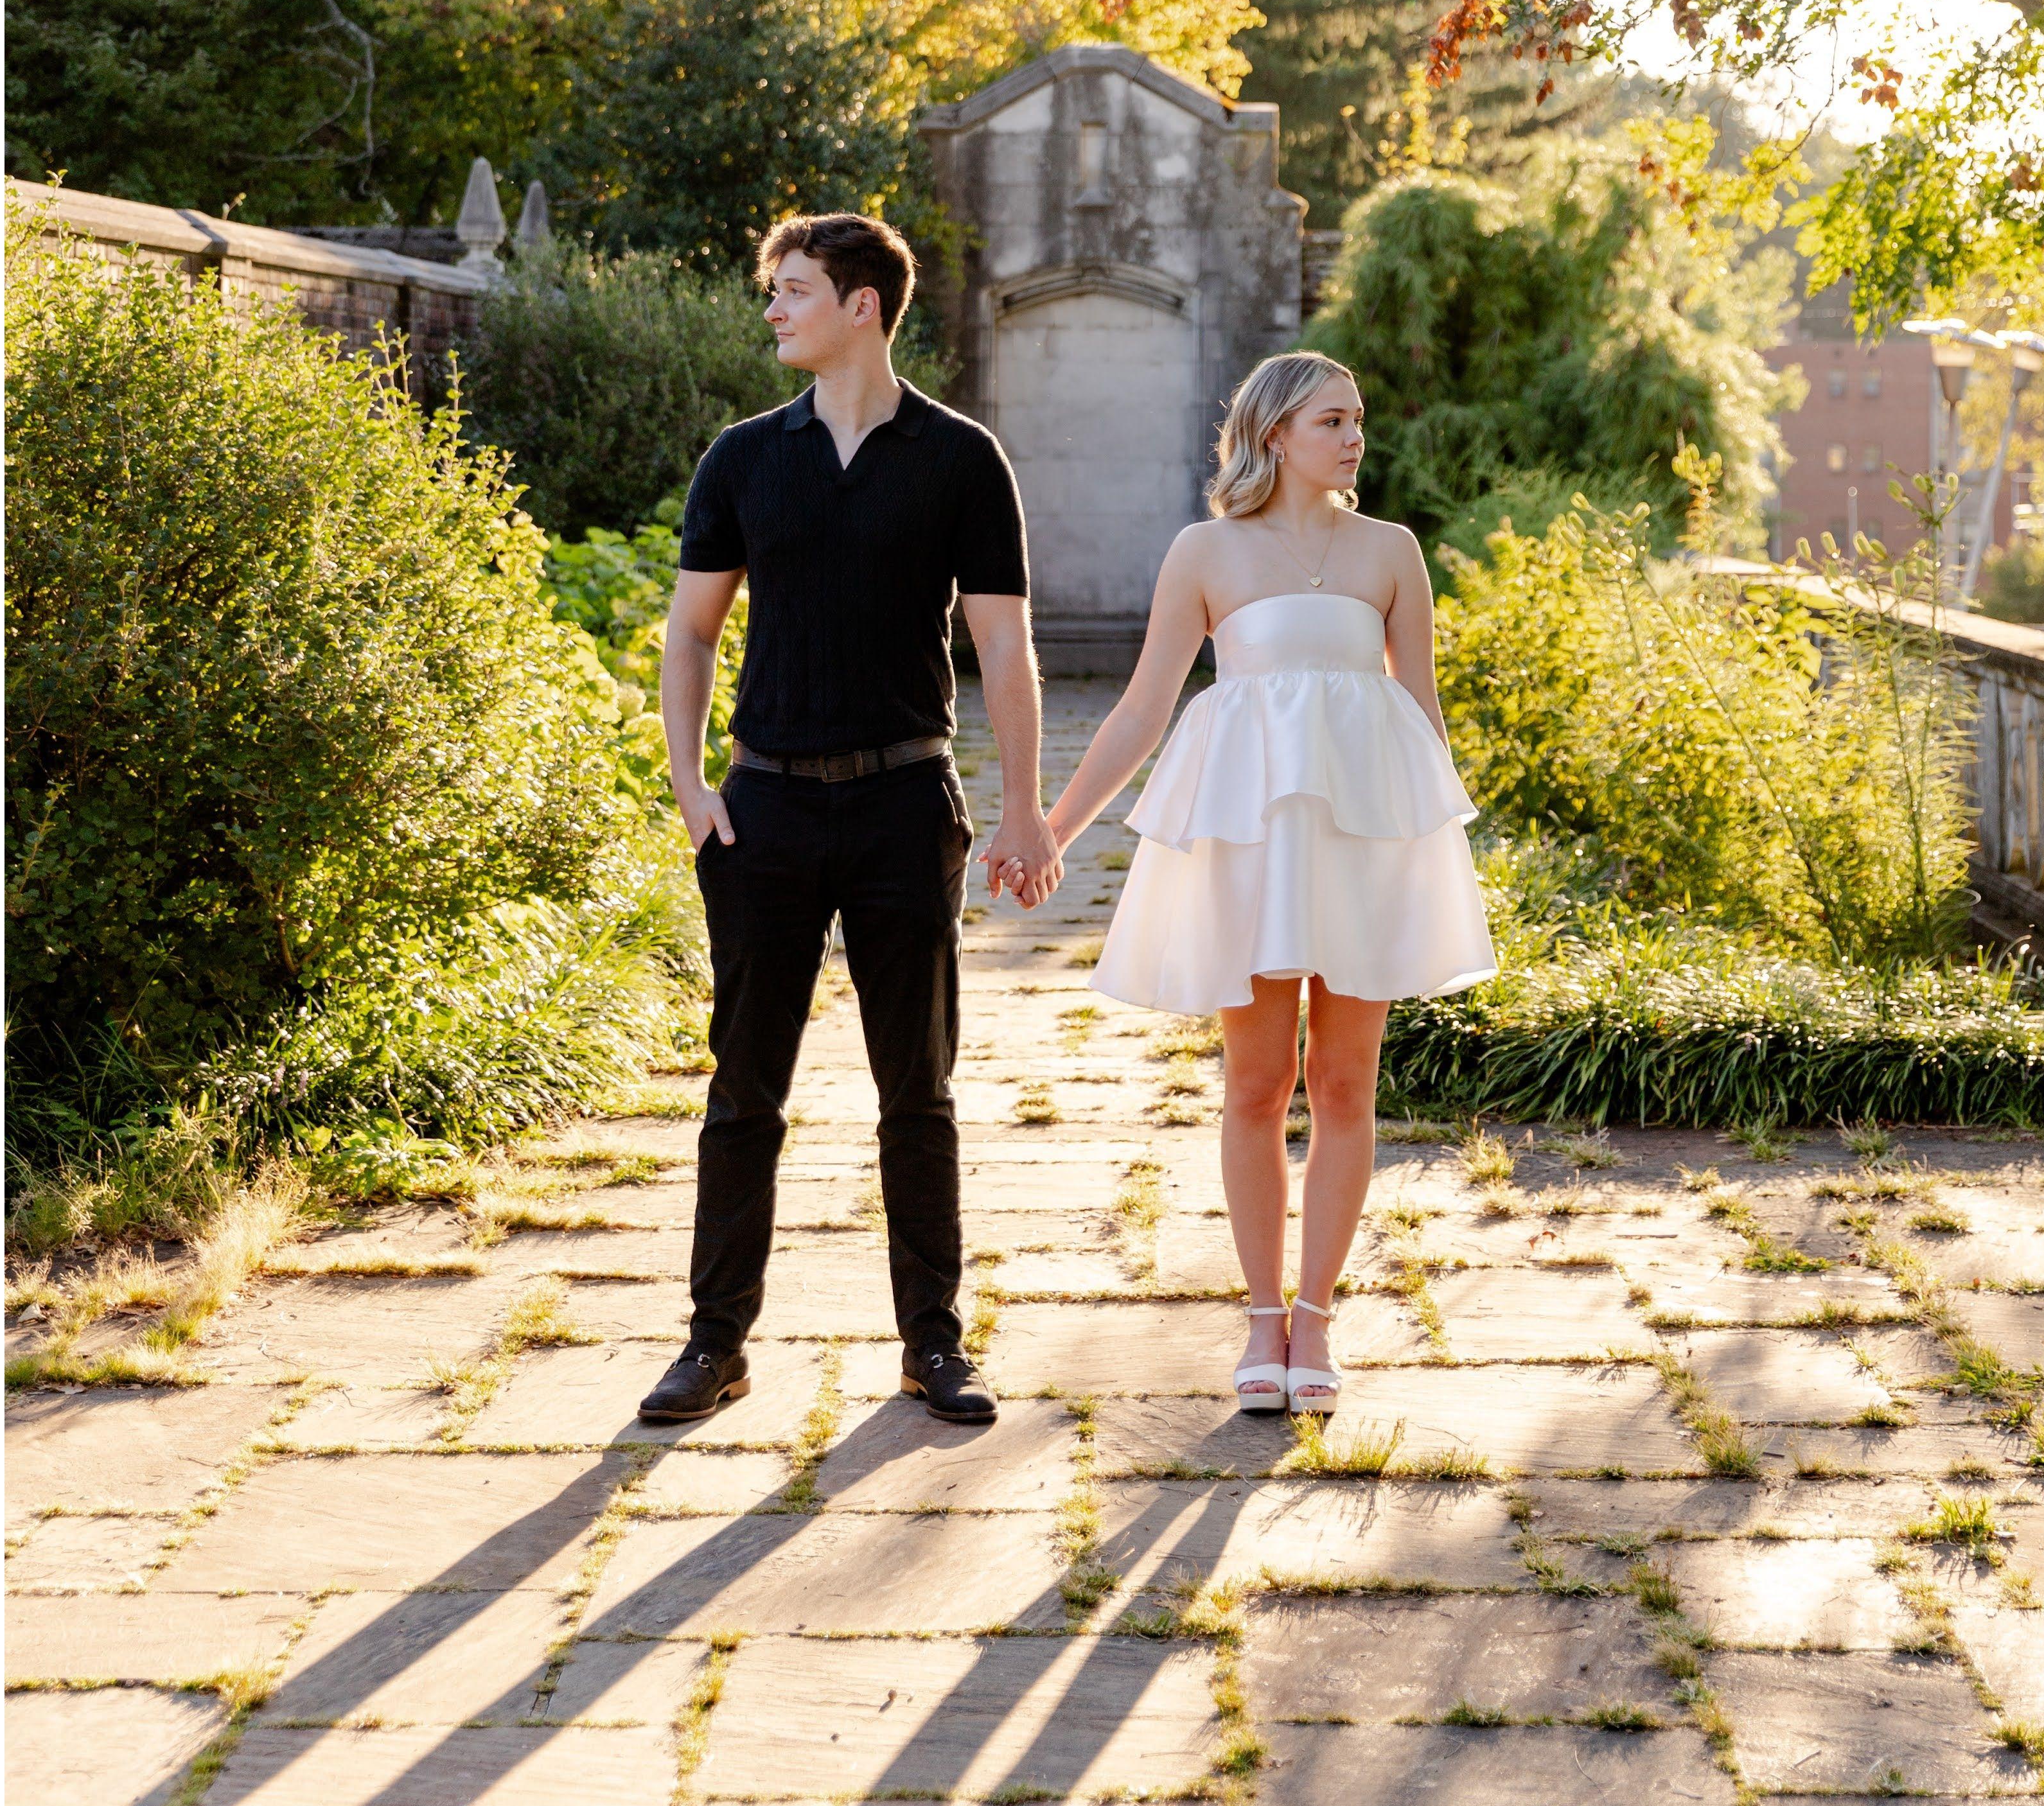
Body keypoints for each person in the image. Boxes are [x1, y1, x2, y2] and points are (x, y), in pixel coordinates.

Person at [1003, 351, 1495, 1415]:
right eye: (1332, 420)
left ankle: (1316, 1317)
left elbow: (1420, 710)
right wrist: (1050, 829)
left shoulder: (1391, 551)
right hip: (1253, 843)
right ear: (1275, 434)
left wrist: (1438, 860)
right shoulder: (1205, 551)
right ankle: (1262, 1316)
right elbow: (1142, 709)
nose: (1354, 437)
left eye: (1357, 418)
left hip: (1361, 841)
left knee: (1346, 1084)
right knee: (1257, 1084)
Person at [636, 212, 1045, 1429]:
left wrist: (1024, 807)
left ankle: (933, 1344)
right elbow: (690, 631)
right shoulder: (742, 458)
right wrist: (691, 785)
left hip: (904, 803)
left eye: (793, 289)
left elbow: (1004, 646)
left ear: (861, 304)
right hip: (761, 810)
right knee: (742, 1091)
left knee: (917, 1090)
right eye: (773, 289)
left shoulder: (962, 458)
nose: (772, 308)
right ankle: (714, 1344)